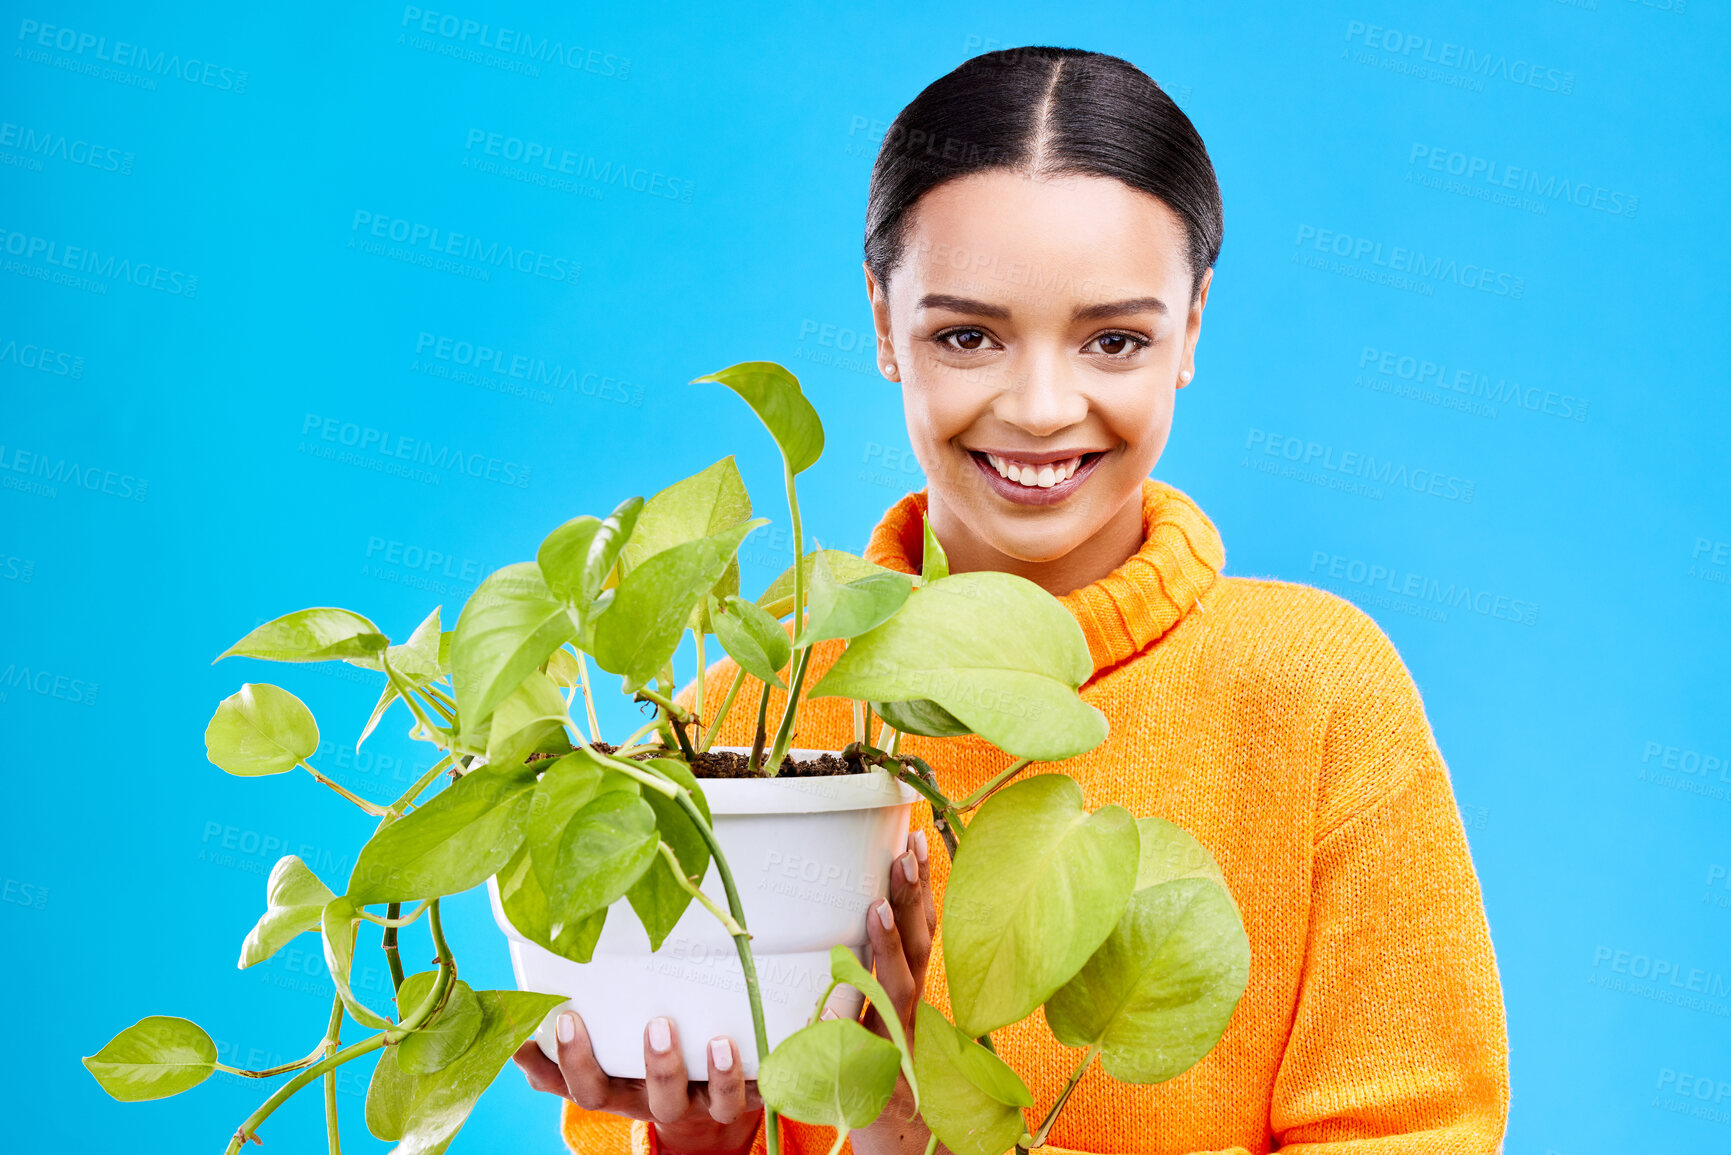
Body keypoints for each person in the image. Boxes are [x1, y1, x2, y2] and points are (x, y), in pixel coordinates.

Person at [514, 45, 1509, 1155]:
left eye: (1115, 339)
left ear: (1193, 327)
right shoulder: (744, 725)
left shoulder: (1319, 693)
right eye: (969, 336)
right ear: (885, 323)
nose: (1041, 407)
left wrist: (927, 1134)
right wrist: (704, 1143)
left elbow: (1423, 1136)